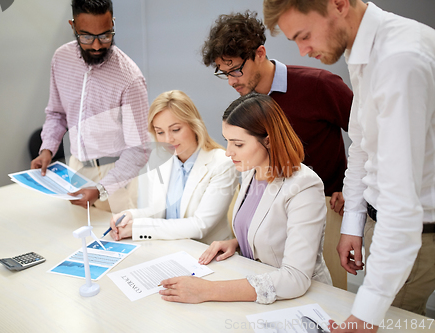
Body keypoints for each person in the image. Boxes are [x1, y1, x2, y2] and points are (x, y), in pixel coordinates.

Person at [263, 0, 435, 331]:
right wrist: (353, 224)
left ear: (339, 5)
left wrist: (364, 317)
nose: (302, 51)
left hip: (415, 231)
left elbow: (402, 204)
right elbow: (362, 146)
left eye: (304, 35)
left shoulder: (399, 60)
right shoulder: (362, 51)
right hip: (383, 221)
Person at [201, 11, 353, 289]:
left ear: (260, 53)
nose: (232, 81)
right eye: (225, 73)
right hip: (275, 211)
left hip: (328, 203)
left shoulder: (320, 85)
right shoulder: (247, 105)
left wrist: (352, 184)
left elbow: (369, 138)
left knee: (326, 295)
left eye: (236, 70)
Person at [159, 93, 331, 304]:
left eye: (238, 144)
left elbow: (294, 278)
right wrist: (238, 242)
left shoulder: (304, 186)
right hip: (255, 288)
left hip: (301, 299)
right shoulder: (251, 170)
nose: (228, 152)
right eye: (227, 142)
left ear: (268, 141)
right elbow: (269, 229)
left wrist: (207, 291)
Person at [31, 0, 150, 213]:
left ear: (113, 24)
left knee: (113, 240)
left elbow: (139, 150)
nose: (96, 45)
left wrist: (102, 189)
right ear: (72, 26)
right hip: (75, 168)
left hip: (115, 176)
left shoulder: (130, 78)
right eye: (86, 36)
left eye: (105, 35)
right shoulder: (61, 59)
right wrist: (47, 149)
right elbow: (57, 114)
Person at [109, 90, 238, 244]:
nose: (168, 139)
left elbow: (199, 226)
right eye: (160, 132)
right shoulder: (160, 158)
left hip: (207, 252)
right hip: (171, 248)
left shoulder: (222, 163)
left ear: (193, 125)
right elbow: (158, 212)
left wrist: (138, 228)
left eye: (175, 130)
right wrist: (130, 216)